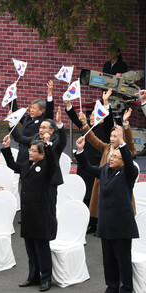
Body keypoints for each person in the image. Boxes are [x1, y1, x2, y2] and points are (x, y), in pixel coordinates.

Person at [76, 127, 138, 293]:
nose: (111, 158)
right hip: (106, 225)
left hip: (122, 226)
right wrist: (80, 151)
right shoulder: (104, 170)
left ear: (124, 161)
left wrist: (122, 141)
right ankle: (111, 286)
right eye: (111, 156)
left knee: (123, 261)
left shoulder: (128, 174)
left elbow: (128, 156)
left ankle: (126, 288)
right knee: (108, 260)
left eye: (115, 157)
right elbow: (88, 168)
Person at [2, 135, 56, 292]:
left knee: (42, 249)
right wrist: (6, 148)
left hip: (40, 215)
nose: (30, 153)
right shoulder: (27, 165)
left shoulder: (46, 167)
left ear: (42, 154)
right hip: (28, 214)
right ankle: (33, 276)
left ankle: (46, 278)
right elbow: (13, 165)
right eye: (30, 150)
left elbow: (52, 162)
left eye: (33, 151)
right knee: (31, 249)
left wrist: (47, 145)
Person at [65, 89, 114, 233]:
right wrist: (69, 105)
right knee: (83, 193)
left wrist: (105, 102)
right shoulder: (87, 129)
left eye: (94, 116)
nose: (91, 118)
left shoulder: (105, 129)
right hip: (85, 164)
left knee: (94, 195)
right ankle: (84, 220)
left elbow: (109, 120)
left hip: (97, 165)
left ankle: (95, 222)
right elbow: (75, 120)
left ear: (101, 117)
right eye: (90, 116)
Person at [80, 108, 136, 231]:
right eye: (111, 135)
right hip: (104, 182)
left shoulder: (125, 150)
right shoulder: (106, 148)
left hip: (120, 185)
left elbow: (131, 145)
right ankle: (97, 225)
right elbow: (93, 138)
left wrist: (125, 124)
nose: (111, 138)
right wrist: (85, 125)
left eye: (115, 136)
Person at [9, 81, 55, 163]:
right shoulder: (27, 118)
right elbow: (15, 112)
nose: (31, 110)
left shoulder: (44, 119)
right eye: (31, 108)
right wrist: (13, 97)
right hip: (22, 151)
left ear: (41, 111)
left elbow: (50, 110)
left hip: (35, 151)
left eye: (34, 108)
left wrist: (49, 93)